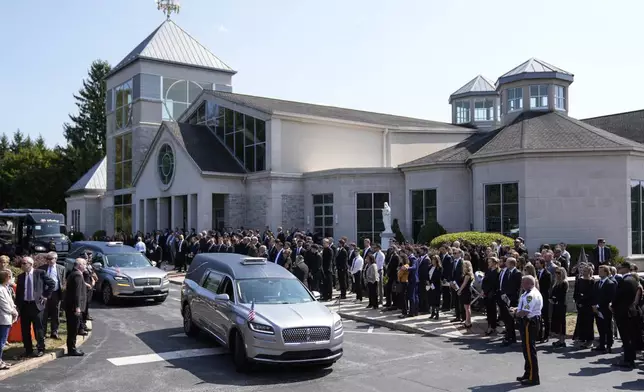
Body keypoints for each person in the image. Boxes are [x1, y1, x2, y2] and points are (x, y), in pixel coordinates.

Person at [15, 256, 55, 357]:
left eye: (24, 263)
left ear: (30, 264)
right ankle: (28, 349)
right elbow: (19, 293)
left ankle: (41, 348)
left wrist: (45, 296)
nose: (22, 265)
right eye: (22, 263)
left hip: (36, 305)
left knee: (38, 328)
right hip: (25, 306)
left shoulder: (40, 273)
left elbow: (52, 284)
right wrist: (17, 306)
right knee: (25, 329)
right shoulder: (20, 277)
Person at [513, 275, 543, 386]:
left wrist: (516, 313)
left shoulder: (531, 295)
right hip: (527, 322)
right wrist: (517, 309)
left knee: (530, 350)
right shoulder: (527, 293)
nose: (521, 284)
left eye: (523, 283)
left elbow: (526, 311)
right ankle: (528, 372)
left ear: (529, 283)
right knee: (526, 349)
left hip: (530, 323)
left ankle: (534, 377)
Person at [39, 252, 65, 339]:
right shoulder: (42, 268)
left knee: (55, 313)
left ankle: (54, 331)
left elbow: (62, 280)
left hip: (56, 293)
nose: (49, 261)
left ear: (55, 259)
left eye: (51, 259)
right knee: (44, 313)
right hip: (45, 293)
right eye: (47, 259)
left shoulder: (61, 268)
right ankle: (43, 332)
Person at [64, 258, 87, 357]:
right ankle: (72, 349)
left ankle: (72, 347)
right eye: (84, 264)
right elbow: (77, 293)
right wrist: (78, 307)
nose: (86, 266)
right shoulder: (77, 275)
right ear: (79, 265)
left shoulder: (73, 273)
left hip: (71, 306)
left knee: (72, 328)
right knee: (73, 328)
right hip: (74, 307)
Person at [593, 265, 616, 353]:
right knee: (600, 327)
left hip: (605, 309)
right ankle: (601, 344)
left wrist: (599, 305)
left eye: (601, 271)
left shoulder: (610, 283)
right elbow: (594, 295)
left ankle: (609, 345)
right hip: (597, 310)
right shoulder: (597, 283)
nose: (599, 272)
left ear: (606, 272)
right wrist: (594, 305)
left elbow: (609, 297)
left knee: (607, 328)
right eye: (599, 271)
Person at [0, 270, 18, 369]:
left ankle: (1, 360)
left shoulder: (5, 288)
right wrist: (13, 312)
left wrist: (14, 307)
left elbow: (10, 301)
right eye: (10, 277)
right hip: (3, 318)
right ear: (7, 278)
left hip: (6, 318)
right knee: (1, 341)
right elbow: (4, 305)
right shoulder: (0, 289)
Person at [550, 267, 569, 348]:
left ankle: (562, 340)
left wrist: (555, 299)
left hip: (561, 305)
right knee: (557, 322)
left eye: (559, 273)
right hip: (556, 304)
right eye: (556, 273)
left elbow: (561, 295)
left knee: (562, 322)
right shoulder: (556, 282)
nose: (557, 274)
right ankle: (559, 339)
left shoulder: (564, 283)